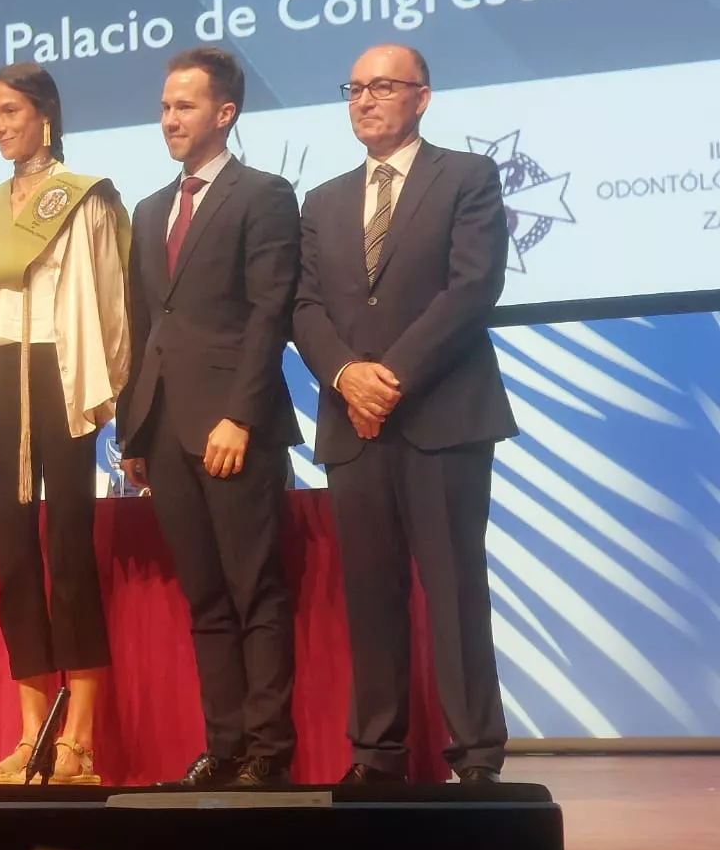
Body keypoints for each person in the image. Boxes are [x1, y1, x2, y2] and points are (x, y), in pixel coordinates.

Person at [291, 45, 516, 784]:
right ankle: (377, 756)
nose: (364, 99)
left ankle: (477, 755)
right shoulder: (321, 199)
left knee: (455, 589)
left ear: (422, 96)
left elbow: (472, 287)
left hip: (442, 417)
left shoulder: (469, 176)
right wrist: (347, 374)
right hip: (352, 424)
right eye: (353, 87)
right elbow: (305, 307)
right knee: (371, 594)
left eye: (382, 86)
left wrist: (389, 379)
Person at [115, 47, 302, 788]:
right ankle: (224, 745)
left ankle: (268, 749)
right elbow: (141, 325)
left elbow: (269, 313)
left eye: (184, 105)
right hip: (163, 428)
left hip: (232, 425)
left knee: (256, 588)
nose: (170, 118)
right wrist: (134, 430)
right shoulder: (152, 208)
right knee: (205, 595)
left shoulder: (264, 194)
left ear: (225, 113)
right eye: (164, 106)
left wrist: (241, 415)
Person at [0, 62, 129, 786]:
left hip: (62, 375)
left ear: (44, 114)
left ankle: (78, 739)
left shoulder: (83, 198)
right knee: (14, 561)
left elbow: (110, 300)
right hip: (2, 381)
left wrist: (115, 394)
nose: (0, 126)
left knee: (70, 555)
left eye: (11, 111)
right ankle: (31, 735)